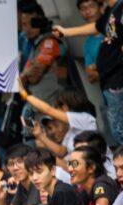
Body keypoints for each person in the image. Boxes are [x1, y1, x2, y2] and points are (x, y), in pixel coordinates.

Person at [55, 0, 123, 146]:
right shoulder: (112, 12)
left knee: (119, 131)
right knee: (117, 131)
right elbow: (96, 27)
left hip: (117, 82)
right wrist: (66, 32)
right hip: (109, 83)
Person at [19, 81, 98, 165]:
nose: (56, 110)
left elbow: (47, 110)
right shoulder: (71, 130)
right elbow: (61, 152)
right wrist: (40, 135)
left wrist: (24, 94)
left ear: (66, 105)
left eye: (58, 106)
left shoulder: (84, 118)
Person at [19, 2, 67, 106]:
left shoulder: (49, 42)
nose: (26, 29)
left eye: (31, 23)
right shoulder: (35, 44)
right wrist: (26, 74)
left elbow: (33, 77)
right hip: (40, 106)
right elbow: (21, 80)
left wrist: (26, 75)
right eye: (24, 24)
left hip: (53, 105)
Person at [77, 0, 106, 83]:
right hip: (110, 90)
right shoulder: (88, 44)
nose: (87, 11)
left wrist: (97, 67)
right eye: (83, 8)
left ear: (101, 8)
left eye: (92, 6)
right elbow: (91, 78)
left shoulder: (115, 30)